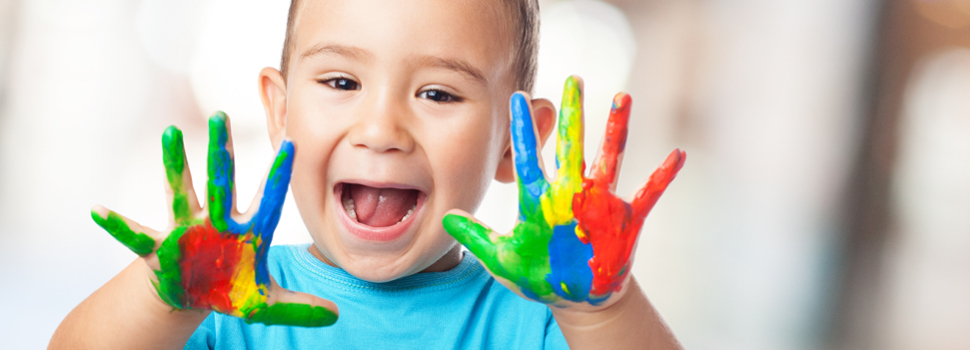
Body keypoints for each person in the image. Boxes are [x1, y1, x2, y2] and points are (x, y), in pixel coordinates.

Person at [50, 0, 685, 348]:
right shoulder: (224, 305)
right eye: (341, 82)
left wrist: (603, 310)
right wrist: (161, 301)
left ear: (516, 145)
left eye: (438, 94)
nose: (381, 129)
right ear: (280, 111)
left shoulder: (540, 322)